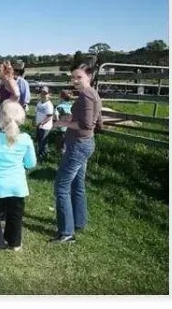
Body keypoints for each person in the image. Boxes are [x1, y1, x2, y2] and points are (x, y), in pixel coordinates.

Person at [50, 64, 103, 244]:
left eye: (78, 77)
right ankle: (79, 222)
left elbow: (87, 124)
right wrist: (67, 119)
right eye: (73, 77)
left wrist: (59, 125)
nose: (74, 81)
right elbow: (95, 121)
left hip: (79, 145)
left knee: (61, 187)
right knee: (77, 185)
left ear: (89, 77)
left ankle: (66, 233)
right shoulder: (92, 93)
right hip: (85, 143)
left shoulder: (87, 95)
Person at [0, 100, 37, 264]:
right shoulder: (26, 139)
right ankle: (15, 243)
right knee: (15, 215)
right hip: (18, 186)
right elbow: (31, 163)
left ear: (0, 118)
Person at [0, 61, 21, 127]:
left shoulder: (9, 81)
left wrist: (8, 104)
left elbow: (17, 95)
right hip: (3, 111)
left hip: (9, 112)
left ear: (5, 70)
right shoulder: (3, 81)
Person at [35, 86, 54, 162]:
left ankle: (44, 156)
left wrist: (42, 123)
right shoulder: (39, 103)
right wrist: (35, 121)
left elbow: (49, 116)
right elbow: (37, 113)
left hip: (45, 126)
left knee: (43, 142)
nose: (43, 95)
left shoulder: (49, 105)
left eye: (45, 93)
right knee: (39, 140)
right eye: (42, 93)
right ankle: (40, 154)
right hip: (39, 125)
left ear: (49, 94)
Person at [53, 89, 74, 154]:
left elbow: (56, 117)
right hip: (71, 128)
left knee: (60, 144)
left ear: (61, 97)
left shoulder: (59, 107)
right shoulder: (72, 105)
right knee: (68, 144)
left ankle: (61, 158)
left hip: (61, 129)